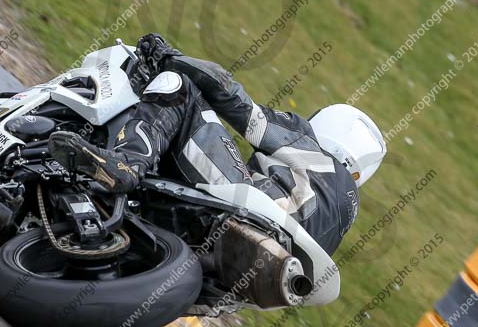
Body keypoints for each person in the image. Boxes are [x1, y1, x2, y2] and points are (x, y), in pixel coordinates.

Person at [49, 34, 386, 255]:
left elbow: (239, 106)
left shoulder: (307, 141)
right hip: (251, 262)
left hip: (249, 211)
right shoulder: (340, 219)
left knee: (179, 87)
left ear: (327, 127)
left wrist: (170, 58)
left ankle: (128, 164)